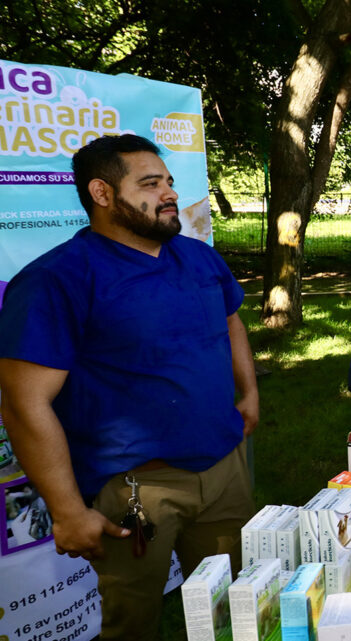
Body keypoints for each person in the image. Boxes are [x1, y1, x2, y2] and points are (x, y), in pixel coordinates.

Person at [0, 134, 259, 641]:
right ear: (102, 193)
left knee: (237, 604)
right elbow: (23, 400)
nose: (169, 195)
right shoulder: (58, 279)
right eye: (150, 183)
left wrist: (248, 392)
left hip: (225, 471)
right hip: (136, 493)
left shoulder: (200, 258)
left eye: (168, 182)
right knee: (133, 624)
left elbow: (231, 323)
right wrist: (69, 511)